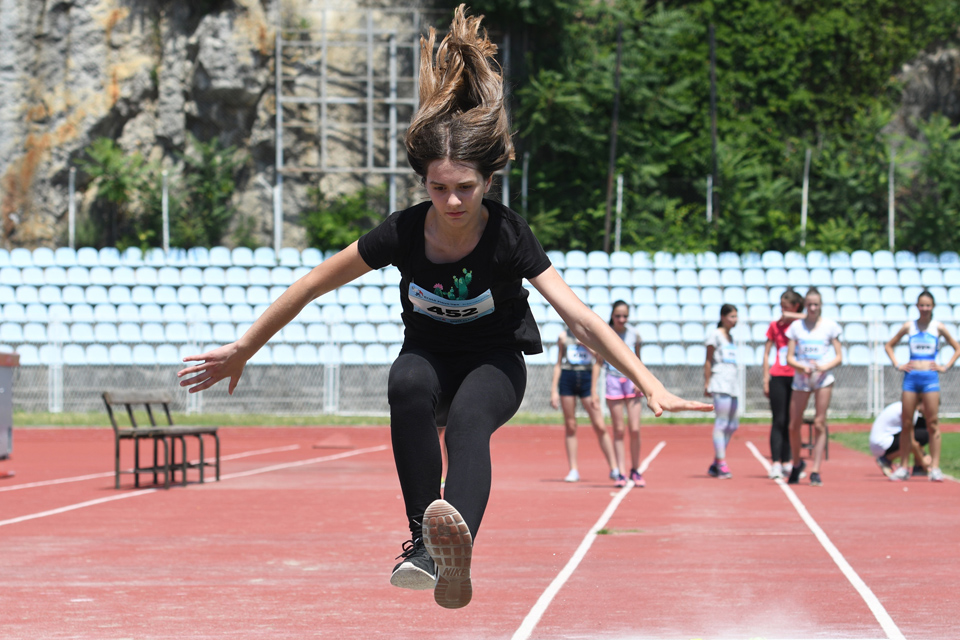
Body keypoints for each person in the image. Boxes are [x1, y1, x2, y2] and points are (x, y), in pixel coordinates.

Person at [176, 5, 711, 610]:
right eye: (438, 188)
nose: (452, 201)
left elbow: (581, 319)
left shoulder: (509, 235)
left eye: (465, 188)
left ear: (489, 182)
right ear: (423, 183)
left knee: (466, 424)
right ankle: (425, 548)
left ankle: (456, 547)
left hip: (494, 362)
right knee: (405, 383)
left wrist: (647, 382)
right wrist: (245, 347)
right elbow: (311, 285)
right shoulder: (402, 232)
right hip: (429, 357)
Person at [884, 290, 959, 482]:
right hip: (911, 378)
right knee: (907, 423)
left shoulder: (938, 327)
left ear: (932, 307)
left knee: (932, 422)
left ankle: (935, 467)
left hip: (930, 378)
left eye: (928, 305)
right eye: (922, 305)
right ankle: (904, 467)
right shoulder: (910, 326)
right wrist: (897, 364)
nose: (925, 308)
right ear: (917, 306)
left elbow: (957, 347)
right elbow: (889, 345)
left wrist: (945, 366)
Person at [785, 288, 842, 486]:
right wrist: (801, 367)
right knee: (794, 424)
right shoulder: (796, 327)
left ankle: (816, 469)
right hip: (801, 378)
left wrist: (824, 367)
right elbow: (789, 357)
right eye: (809, 304)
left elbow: (839, 356)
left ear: (821, 305)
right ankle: (796, 463)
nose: (812, 308)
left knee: (819, 422)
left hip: (822, 378)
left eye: (816, 304)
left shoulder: (829, 326)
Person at [550, 327, 620, 484]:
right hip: (568, 378)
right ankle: (573, 469)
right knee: (570, 425)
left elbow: (599, 360)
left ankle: (614, 468)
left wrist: (585, 344)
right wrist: (554, 391)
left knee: (599, 425)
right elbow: (558, 364)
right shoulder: (563, 337)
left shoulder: (590, 337)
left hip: (587, 379)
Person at [594, 300, 645, 487]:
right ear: (612, 316)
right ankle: (621, 472)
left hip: (632, 383)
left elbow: (638, 360)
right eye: (618, 316)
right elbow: (598, 362)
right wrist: (593, 391)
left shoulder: (634, 334)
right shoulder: (606, 333)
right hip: (613, 382)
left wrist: (640, 381)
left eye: (625, 316)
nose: (622, 319)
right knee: (619, 430)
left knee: (635, 429)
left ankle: (636, 469)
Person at [762, 289, 805, 480]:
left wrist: (792, 317)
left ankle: (788, 461)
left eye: (786, 307)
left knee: (792, 422)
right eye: (781, 307)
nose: (782, 310)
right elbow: (766, 353)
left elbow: (814, 318)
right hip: (778, 376)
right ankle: (776, 463)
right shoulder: (775, 325)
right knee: (778, 420)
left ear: (795, 306)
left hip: (797, 377)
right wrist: (765, 379)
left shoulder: (802, 325)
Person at [704, 304, 740, 479]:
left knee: (733, 425)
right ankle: (722, 462)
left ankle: (716, 462)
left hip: (732, 384)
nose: (735, 320)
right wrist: (707, 382)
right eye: (732, 316)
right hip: (720, 383)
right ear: (723, 317)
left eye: (736, 316)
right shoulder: (715, 335)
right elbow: (708, 360)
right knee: (722, 422)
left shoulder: (731, 337)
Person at [870, 401, 931, 478]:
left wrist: (924, 454)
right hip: (882, 444)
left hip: (879, 443)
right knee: (923, 435)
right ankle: (886, 459)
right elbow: (911, 441)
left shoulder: (906, 406)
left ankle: (919, 467)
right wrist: (923, 460)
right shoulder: (911, 411)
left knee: (921, 432)